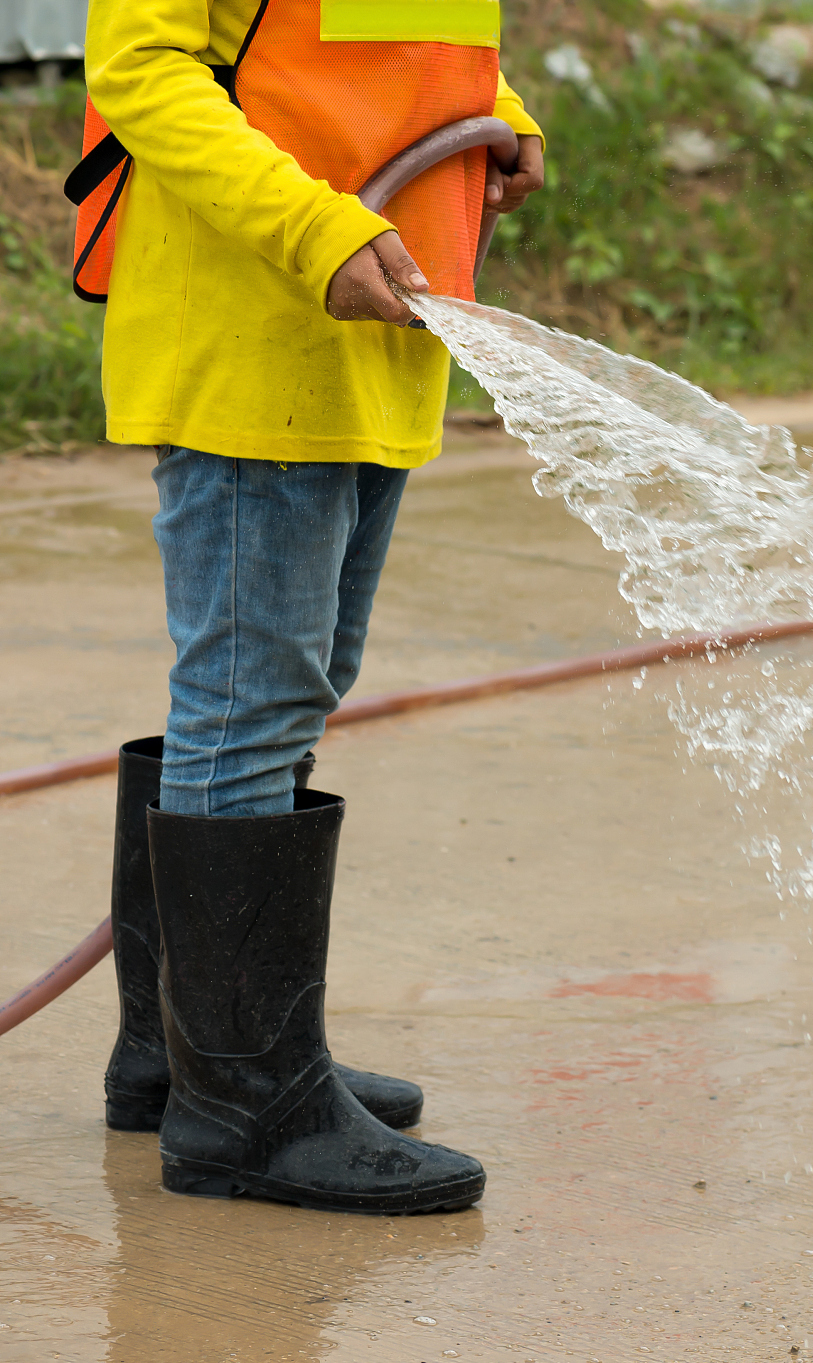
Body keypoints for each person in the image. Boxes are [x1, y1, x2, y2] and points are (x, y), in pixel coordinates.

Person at [76, 0, 545, 1214]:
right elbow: (141, 66)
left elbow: (377, 45)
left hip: (369, 330)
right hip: (256, 324)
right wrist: (315, 226)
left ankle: (187, 1055)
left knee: (288, 687)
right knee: (251, 699)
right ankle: (245, 1110)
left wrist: (493, 119)